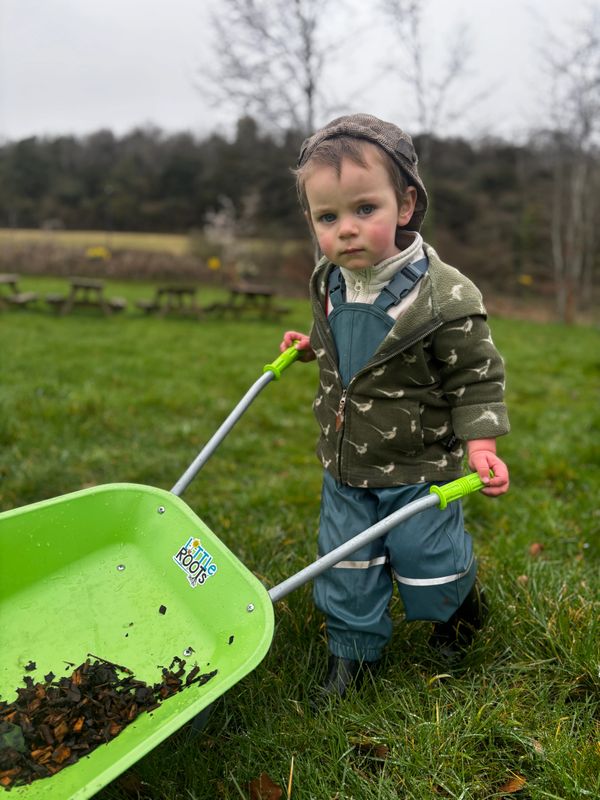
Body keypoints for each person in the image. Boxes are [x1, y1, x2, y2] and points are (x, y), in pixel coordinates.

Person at [279, 113, 510, 704]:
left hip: (418, 464)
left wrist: (480, 443)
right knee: (345, 561)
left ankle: (457, 612)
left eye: (364, 210)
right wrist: (311, 348)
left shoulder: (443, 296)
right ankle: (352, 658)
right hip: (347, 460)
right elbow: (338, 341)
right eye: (327, 218)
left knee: (425, 557)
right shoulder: (329, 280)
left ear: (405, 205)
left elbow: (475, 374)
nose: (346, 231)